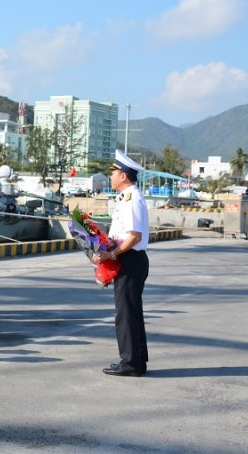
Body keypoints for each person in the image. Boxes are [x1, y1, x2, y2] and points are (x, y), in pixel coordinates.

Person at [94, 149, 150, 377]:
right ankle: (135, 359)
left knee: (126, 313)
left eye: (113, 172)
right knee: (131, 311)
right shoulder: (126, 198)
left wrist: (112, 254)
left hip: (130, 260)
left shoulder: (132, 198)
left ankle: (130, 362)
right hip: (127, 258)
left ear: (124, 176)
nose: (111, 176)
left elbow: (134, 236)